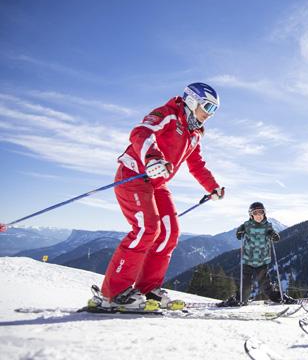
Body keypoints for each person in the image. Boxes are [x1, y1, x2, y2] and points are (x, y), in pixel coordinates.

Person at [91, 82, 225, 311]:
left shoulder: (194, 134)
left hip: (157, 183)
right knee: (146, 228)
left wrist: (212, 187)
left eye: (214, 110)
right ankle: (113, 294)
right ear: (192, 101)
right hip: (134, 174)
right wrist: (152, 158)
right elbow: (141, 133)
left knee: (170, 232)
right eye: (207, 107)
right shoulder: (168, 115)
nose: (209, 115)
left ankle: (147, 289)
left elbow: (196, 164)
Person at [218, 202, 295, 307]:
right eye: (255, 213)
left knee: (266, 286)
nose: (258, 215)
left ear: (264, 214)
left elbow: (275, 236)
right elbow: (238, 234)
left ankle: (279, 297)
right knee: (246, 286)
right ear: (251, 215)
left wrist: (274, 235)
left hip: (262, 262)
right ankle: (239, 300)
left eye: (261, 212)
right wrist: (239, 232)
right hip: (248, 261)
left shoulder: (268, 226)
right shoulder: (246, 225)